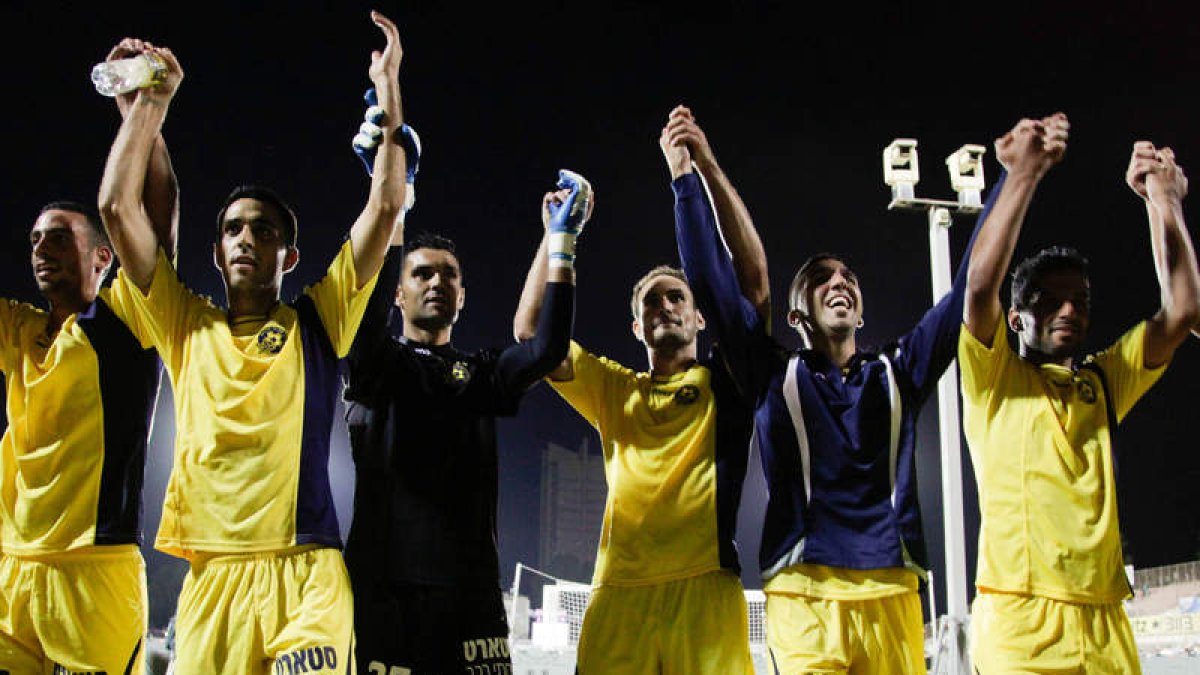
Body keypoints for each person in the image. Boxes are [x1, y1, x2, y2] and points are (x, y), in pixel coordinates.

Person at [96, 12, 407, 674]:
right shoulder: (184, 324)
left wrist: (388, 90)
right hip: (210, 580)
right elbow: (119, 210)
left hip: (305, 573)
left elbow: (384, 208)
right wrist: (146, 109)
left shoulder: (319, 321)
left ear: (289, 255)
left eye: (264, 231)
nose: (246, 238)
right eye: (235, 228)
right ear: (215, 249)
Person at [663, 104, 1003, 674]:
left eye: (847, 278)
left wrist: (1012, 180)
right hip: (803, 596)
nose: (838, 283)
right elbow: (711, 279)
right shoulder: (772, 374)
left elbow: (971, 284)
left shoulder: (899, 370)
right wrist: (691, 175)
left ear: (861, 309)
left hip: (893, 594)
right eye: (820, 279)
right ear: (796, 316)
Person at [961, 121, 1199, 673]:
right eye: (1050, 300)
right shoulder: (995, 378)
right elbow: (979, 288)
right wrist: (1023, 174)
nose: (1069, 310)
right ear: (1016, 318)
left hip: (1106, 619)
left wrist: (1163, 202)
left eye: (1080, 300)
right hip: (1021, 620)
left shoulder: (1103, 381)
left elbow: (1182, 311)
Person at [514, 144, 759, 675]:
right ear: (636, 328)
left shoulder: (729, 382)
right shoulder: (614, 389)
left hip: (706, 588)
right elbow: (533, 335)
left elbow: (749, 283)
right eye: (652, 300)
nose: (665, 305)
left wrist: (703, 171)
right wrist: (558, 237)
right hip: (619, 593)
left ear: (700, 321)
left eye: (677, 298)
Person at [343, 162, 587, 673]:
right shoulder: (376, 365)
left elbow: (546, 348)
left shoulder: (481, 375)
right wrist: (395, 205)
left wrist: (558, 242)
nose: (436, 282)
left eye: (449, 275)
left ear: (463, 297)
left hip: (470, 598)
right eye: (422, 273)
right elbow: (362, 307)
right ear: (397, 294)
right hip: (385, 596)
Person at [0, 37, 178, 674]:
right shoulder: (19, 329)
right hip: (13, 570)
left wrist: (144, 115)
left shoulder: (127, 321)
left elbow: (151, 217)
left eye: (59, 236)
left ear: (104, 257)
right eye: (34, 238)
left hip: (94, 570)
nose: (41, 247)